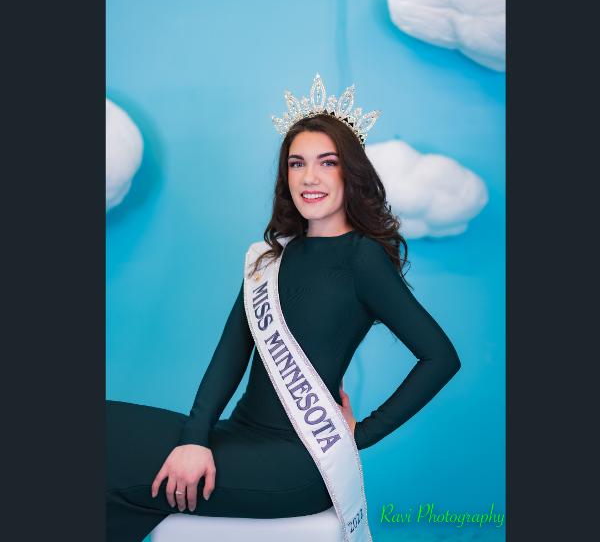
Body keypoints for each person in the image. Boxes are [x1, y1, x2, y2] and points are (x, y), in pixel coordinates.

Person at [106, 77, 461, 542]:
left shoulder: (362, 258)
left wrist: (362, 434)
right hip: (237, 433)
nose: (309, 177)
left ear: (350, 174)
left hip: (298, 462)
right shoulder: (272, 258)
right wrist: (195, 438)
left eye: (327, 162)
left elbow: (441, 357)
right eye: (297, 163)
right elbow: (231, 354)